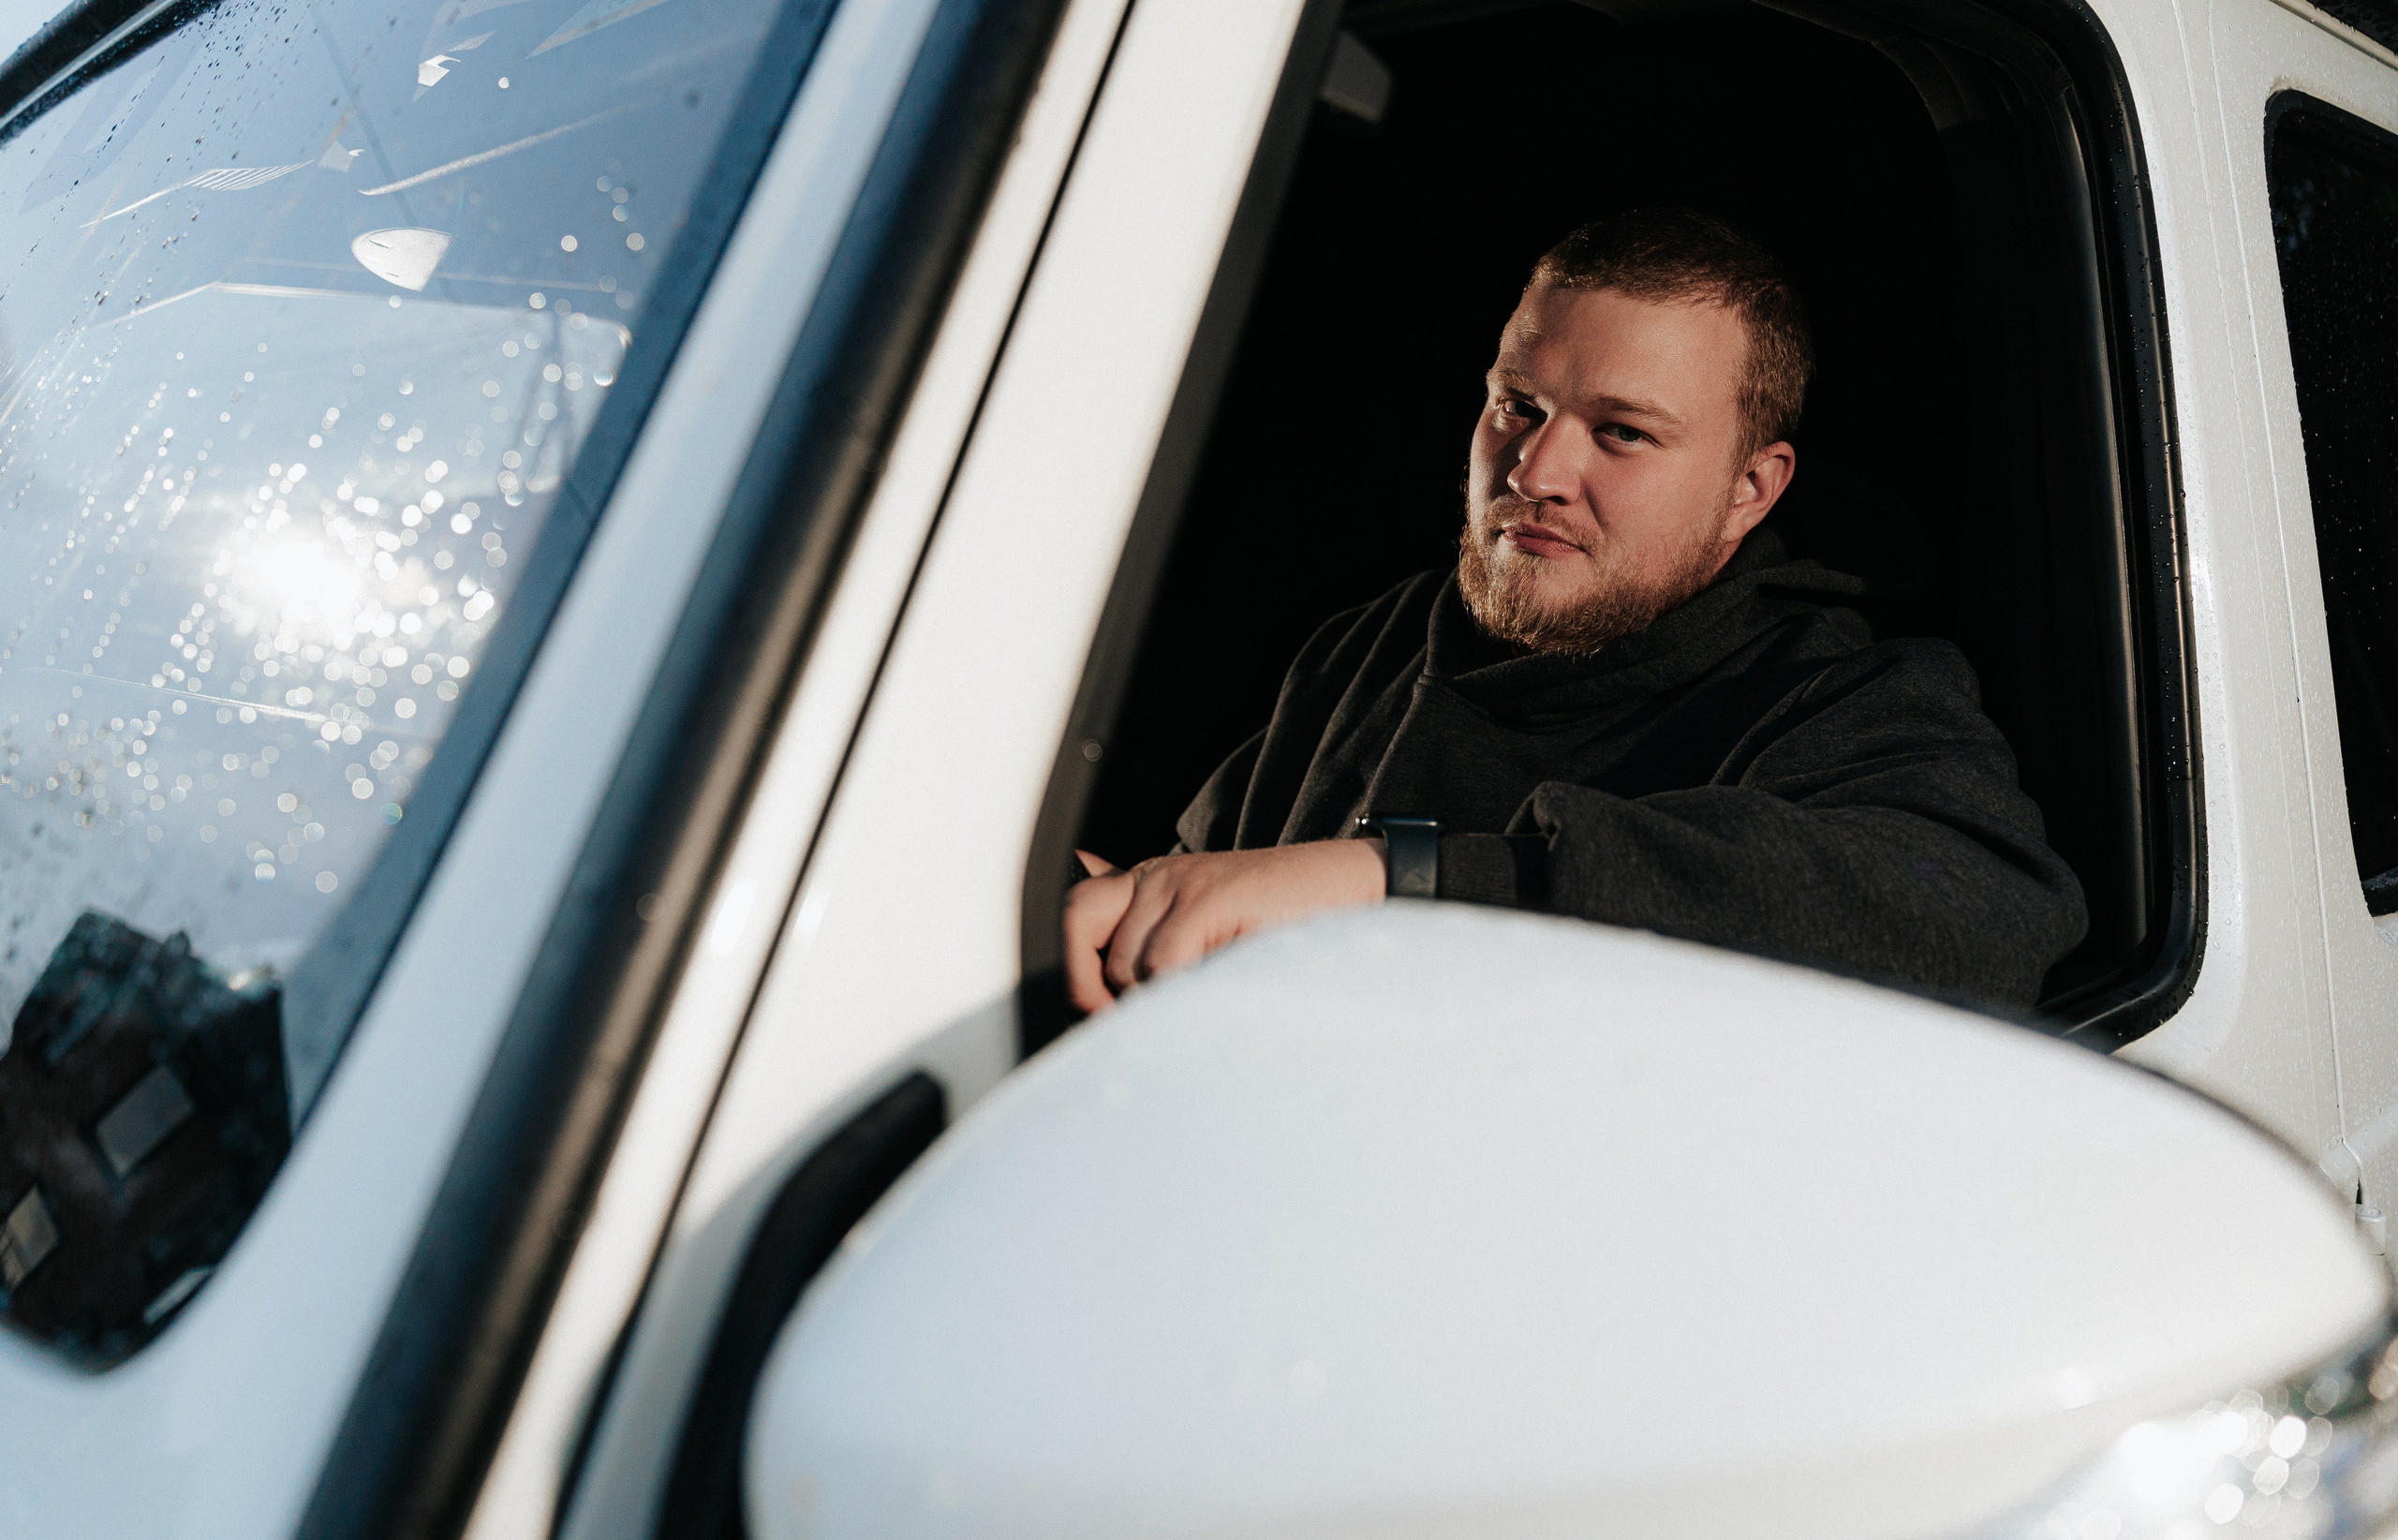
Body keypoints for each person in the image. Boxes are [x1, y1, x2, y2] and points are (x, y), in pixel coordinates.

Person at [1064, 209, 2087, 1015]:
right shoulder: (1372, 646)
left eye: (1624, 434)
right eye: (1518, 405)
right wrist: (1110, 918)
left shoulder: (1831, 694)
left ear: (1749, 489)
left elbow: (1975, 918)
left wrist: (1396, 884)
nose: (1535, 470)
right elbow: (1213, 889)